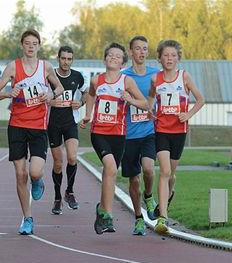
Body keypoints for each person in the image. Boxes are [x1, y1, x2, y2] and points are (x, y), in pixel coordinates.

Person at [0, 29, 63, 235]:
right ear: (22, 45)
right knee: (20, 174)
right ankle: (27, 218)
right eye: (27, 43)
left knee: (34, 172)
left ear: (39, 46)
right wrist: (6, 94)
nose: (31, 47)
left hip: (39, 127)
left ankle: (38, 181)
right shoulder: (13, 67)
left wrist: (50, 93)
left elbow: (59, 88)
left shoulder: (45, 67)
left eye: (34, 43)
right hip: (17, 127)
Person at [80, 42, 149, 235]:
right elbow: (91, 96)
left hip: (119, 135)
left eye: (118, 56)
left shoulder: (127, 82)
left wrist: (130, 99)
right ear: (104, 59)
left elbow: (145, 104)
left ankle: (101, 209)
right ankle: (108, 217)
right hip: (99, 132)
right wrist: (88, 114)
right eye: (110, 55)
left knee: (110, 173)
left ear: (122, 63)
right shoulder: (96, 81)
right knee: (110, 168)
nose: (113, 58)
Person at [148, 39, 204, 235]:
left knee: (170, 174)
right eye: (165, 55)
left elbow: (200, 99)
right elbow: (150, 98)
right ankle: (162, 218)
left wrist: (188, 114)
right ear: (159, 58)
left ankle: (169, 194)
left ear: (178, 58)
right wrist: (149, 110)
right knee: (163, 172)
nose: (169, 58)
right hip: (162, 130)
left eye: (173, 55)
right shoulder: (155, 79)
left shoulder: (184, 77)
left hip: (179, 132)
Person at [120, 36, 160, 235]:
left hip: (149, 131)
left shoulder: (156, 74)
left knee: (149, 170)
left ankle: (149, 195)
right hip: (128, 135)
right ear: (130, 51)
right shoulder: (123, 77)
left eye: (145, 48)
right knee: (134, 179)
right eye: (138, 48)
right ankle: (138, 218)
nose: (142, 52)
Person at [48, 46, 86, 215]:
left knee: (72, 157)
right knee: (58, 163)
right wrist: (49, 102)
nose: (66, 62)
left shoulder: (77, 76)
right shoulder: (50, 76)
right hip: (53, 124)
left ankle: (69, 192)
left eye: (69, 59)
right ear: (58, 59)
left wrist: (81, 102)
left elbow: (86, 94)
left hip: (70, 122)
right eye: (63, 58)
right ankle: (57, 198)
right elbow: (41, 96)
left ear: (72, 60)